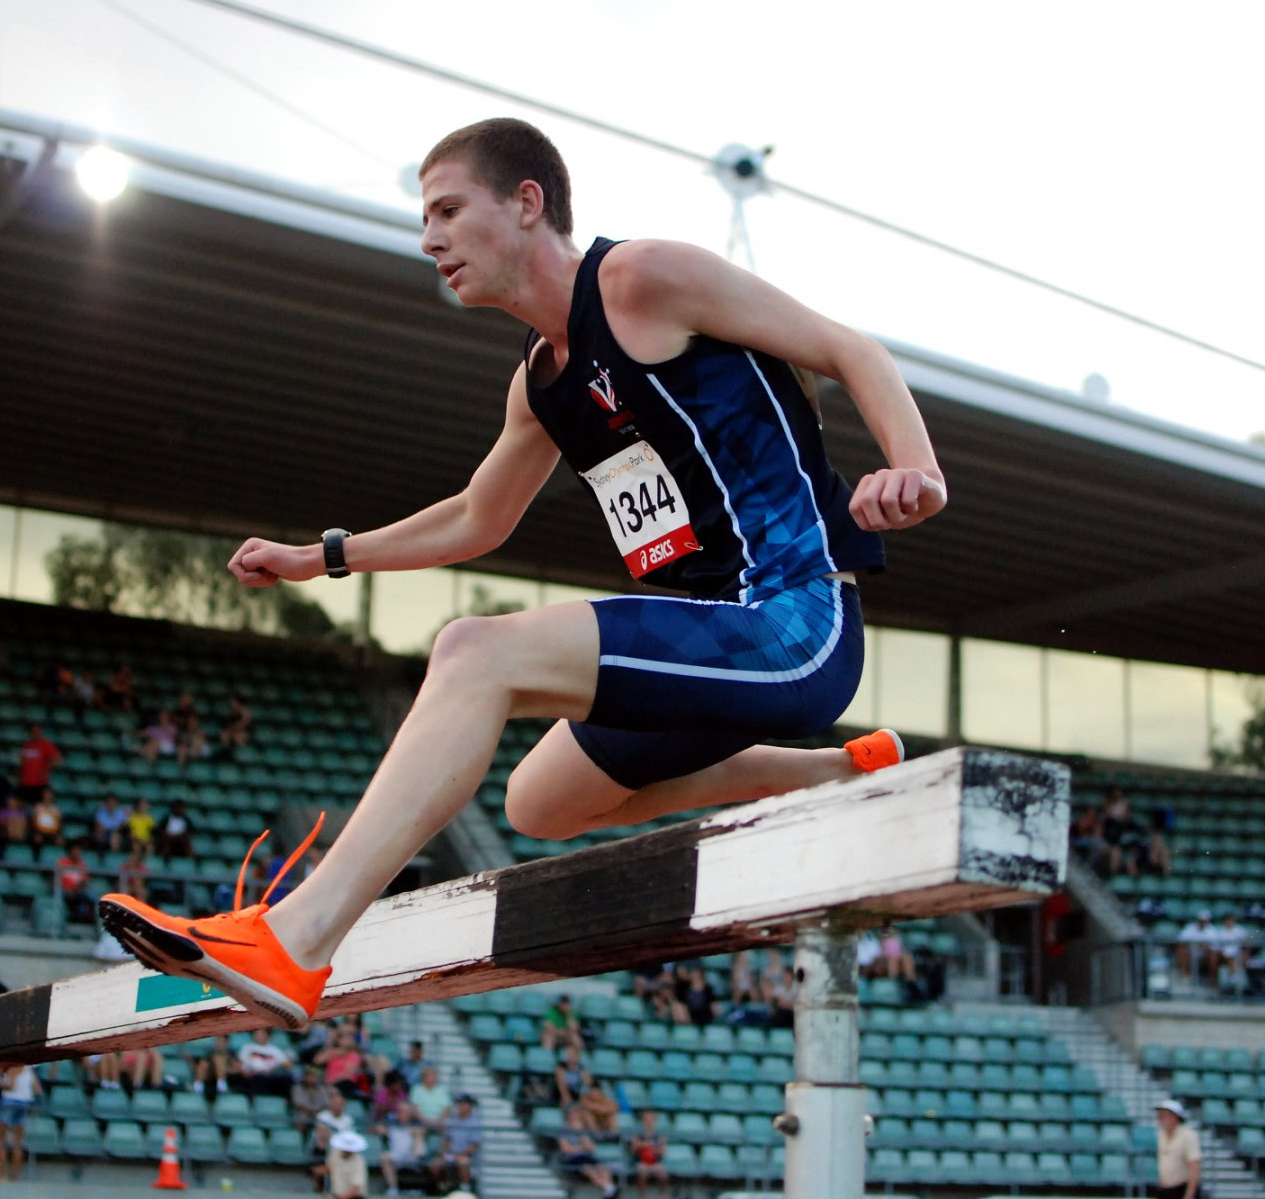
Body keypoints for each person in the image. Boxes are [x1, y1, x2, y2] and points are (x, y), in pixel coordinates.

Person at [98, 118, 935, 1028]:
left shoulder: (642, 280)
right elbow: (474, 518)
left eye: (449, 210)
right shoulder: (541, 383)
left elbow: (855, 351)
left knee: (473, 650)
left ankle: (298, 940)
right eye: (426, 220)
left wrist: (914, 469)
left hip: (793, 622)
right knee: (540, 801)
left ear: (527, 204)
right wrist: (320, 556)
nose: (430, 240)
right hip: (715, 633)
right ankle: (834, 774)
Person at [556, 1105, 619, 1197]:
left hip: (586, 1156)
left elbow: (591, 1148)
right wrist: (581, 1147)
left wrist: (580, 1133)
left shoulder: (584, 1130)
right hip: (573, 1159)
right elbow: (566, 1149)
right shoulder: (563, 1131)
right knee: (589, 1169)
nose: (576, 1116)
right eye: (574, 1114)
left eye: (578, 1114)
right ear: (568, 1115)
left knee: (604, 1168)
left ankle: (609, 1189)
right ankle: (609, 1188)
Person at [432, 1094, 482, 1194]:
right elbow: (447, 1140)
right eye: (459, 1104)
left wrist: (459, 1155)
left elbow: (474, 1145)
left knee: (463, 1162)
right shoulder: (453, 1119)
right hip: (451, 1154)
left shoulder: (475, 1122)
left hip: (466, 1155)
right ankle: (442, 1187)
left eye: (463, 1104)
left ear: (469, 1106)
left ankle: (466, 1189)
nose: (460, 1106)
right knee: (435, 1165)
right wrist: (441, 1154)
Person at [375, 1100, 427, 1198]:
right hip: (396, 1155)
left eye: (404, 1111)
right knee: (384, 1157)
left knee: (418, 1141)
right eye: (399, 1111)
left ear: (410, 1113)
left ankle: (417, 1186)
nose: (401, 1113)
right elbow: (377, 1128)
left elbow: (424, 1130)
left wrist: (417, 1132)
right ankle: (393, 1188)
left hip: (412, 1155)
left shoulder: (416, 1124)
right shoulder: (391, 1122)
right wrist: (382, 1130)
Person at [0, 1062, 38, 1179]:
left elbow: (11, 1086)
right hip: (25, 1103)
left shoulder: (13, 1067)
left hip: (10, 1102)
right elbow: (37, 1089)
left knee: (1, 1140)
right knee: (18, 1143)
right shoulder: (29, 1069)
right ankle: (15, 1176)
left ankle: (3, 1175)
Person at [1154, 1099, 1200, 1199]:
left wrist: (1190, 1193)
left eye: (1163, 1115)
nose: (1160, 1119)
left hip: (1181, 1188)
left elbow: (1194, 1165)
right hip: (1166, 1189)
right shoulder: (1161, 1135)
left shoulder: (1188, 1135)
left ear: (1175, 1117)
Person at [631, 1108, 670, 1198]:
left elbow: (662, 1152)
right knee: (642, 1172)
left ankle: (663, 1195)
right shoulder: (638, 1135)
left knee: (663, 1174)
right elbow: (633, 1150)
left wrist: (651, 1147)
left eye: (651, 1120)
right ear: (643, 1121)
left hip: (655, 1162)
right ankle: (643, 1196)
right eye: (646, 1119)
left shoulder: (660, 1136)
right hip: (642, 1162)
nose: (649, 1122)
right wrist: (644, 1144)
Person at [326, 1128, 369, 1198]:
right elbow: (329, 1168)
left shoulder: (359, 1161)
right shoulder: (334, 1154)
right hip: (336, 1194)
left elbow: (356, 1187)